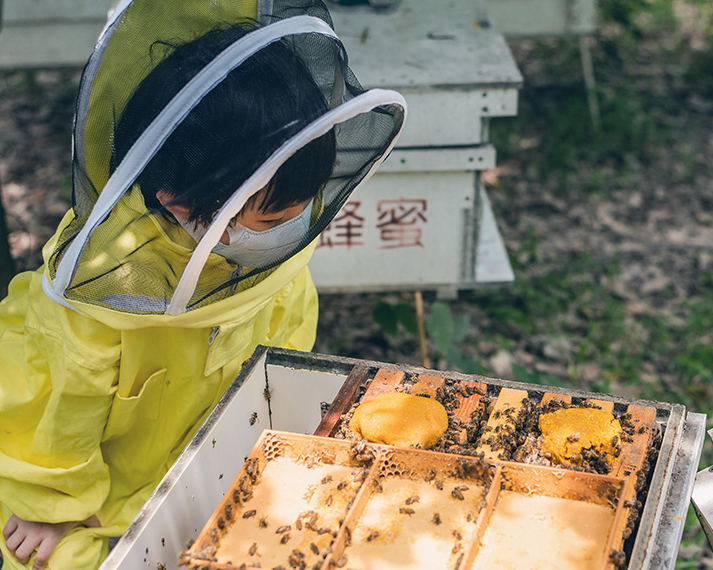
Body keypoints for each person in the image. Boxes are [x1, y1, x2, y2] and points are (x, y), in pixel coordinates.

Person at [0, 1, 406, 568]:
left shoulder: (273, 264)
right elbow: (50, 402)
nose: (282, 233)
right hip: (99, 500)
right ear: (182, 202)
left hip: (210, 467)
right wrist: (50, 502)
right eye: (266, 220)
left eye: (288, 216)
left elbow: (284, 351)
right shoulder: (104, 293)